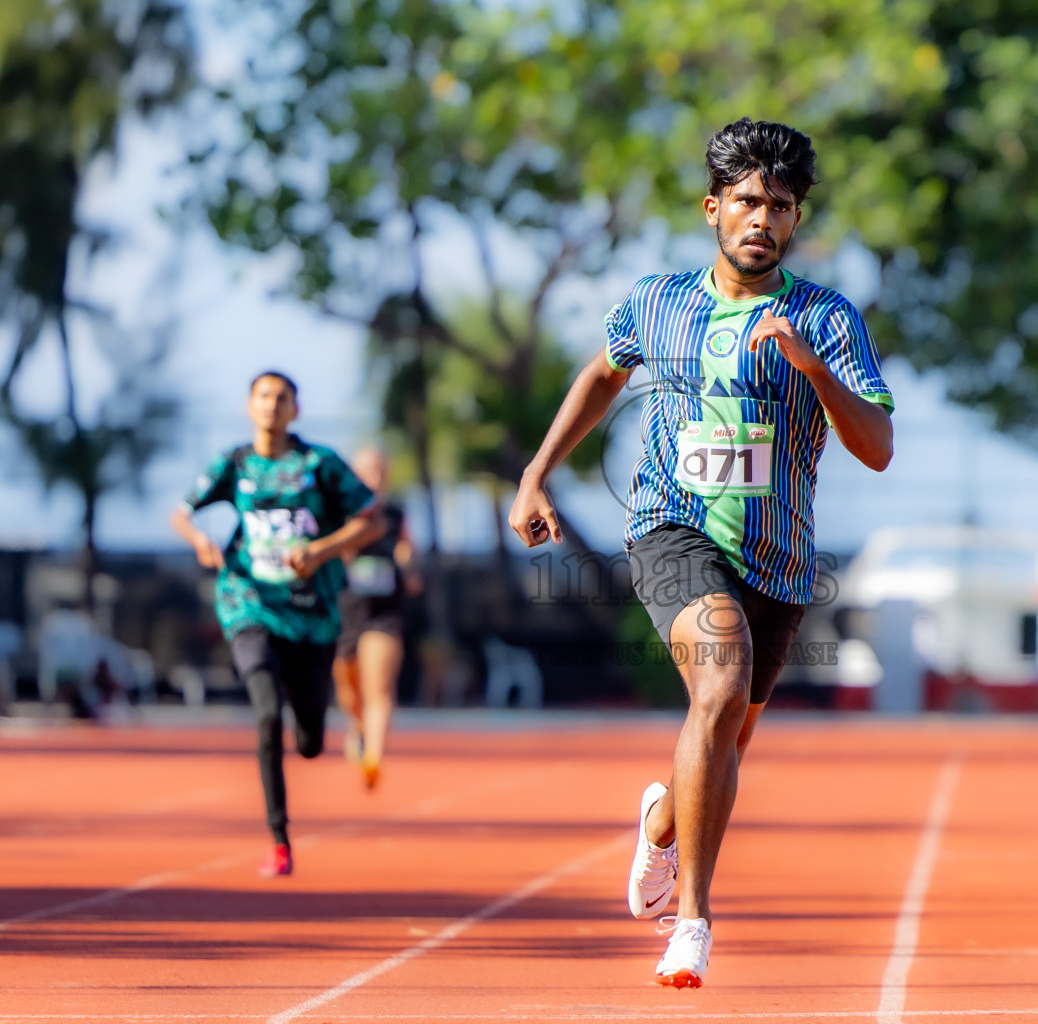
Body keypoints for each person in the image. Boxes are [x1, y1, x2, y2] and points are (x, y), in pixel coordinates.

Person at [509, 118, 894, 987]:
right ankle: (693, 922)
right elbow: (605, 372)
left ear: (795, 222)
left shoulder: (825, 319)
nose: (763, 218)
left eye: (782, 206)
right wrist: (536, 474)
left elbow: (877, 446)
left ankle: (658, 828)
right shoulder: (658, 299)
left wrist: (812, 369)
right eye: (749, 201)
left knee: (729, 729)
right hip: (669, 528)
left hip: (779, 559)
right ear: (715, 208)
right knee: (718, 682)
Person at [171, 371, 382, 878]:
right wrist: (199, 540)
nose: (272, 405)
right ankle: (280, 839)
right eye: (264, 396)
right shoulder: (234, 464)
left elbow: (372, 519)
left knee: (307, 742)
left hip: (312, 614)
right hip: (249, 603)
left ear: (295, 410)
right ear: (250, 405)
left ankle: (311, 726)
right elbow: (182, 513)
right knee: (267, 713)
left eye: (282, 398)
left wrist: (321, 550)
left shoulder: (318, 465)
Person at [333, 445, 417, 790]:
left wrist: (408, 563)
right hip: (346, 611)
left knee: (378, 687)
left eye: (380, 469)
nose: (375, 475)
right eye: (368, 469)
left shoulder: (395, 514)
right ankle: (358, 729)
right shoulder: (340, 512)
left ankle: (374, 759)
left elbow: (406, 547)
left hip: (385, 612)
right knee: (348, 688)